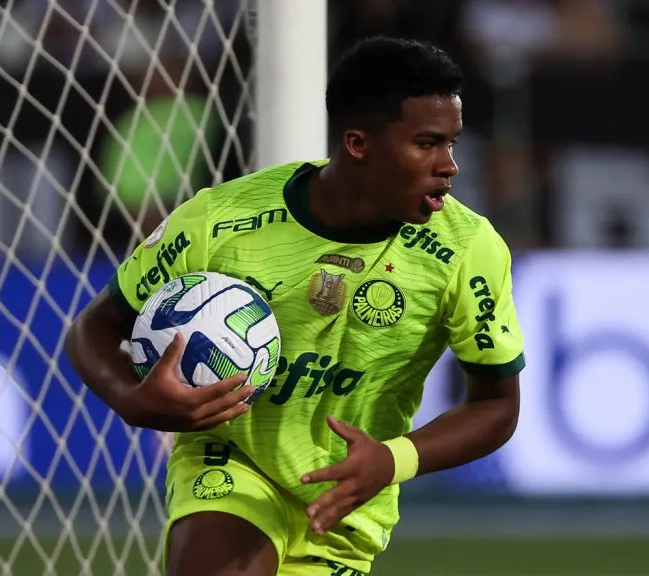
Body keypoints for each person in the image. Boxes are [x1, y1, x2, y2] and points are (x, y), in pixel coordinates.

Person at [65, 36, 525, 576]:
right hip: (231, 460)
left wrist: (392, 459)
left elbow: (497, 406)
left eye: (452, 143)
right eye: (427, 143)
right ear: (359, 144)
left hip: (343, 498)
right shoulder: (219, 221)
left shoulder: (467, 249)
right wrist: (133, 400)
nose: (448, 166)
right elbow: (94, 327)